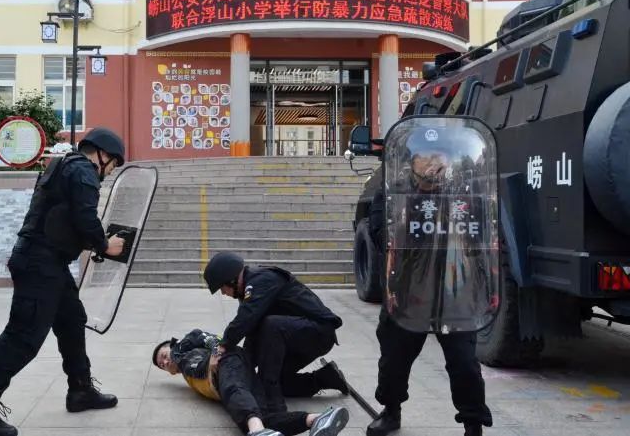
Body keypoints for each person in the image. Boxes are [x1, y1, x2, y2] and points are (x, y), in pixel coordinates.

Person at [0, 127, 128, 436]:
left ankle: (80, 389)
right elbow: (85, 217)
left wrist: (93, 242)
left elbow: (65, 218)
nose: (110, 172)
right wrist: (105, 245)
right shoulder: (83, 172)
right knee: (23, 337)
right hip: (40, 264)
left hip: (48, 261)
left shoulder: (64, 164)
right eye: (113, 164)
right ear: (103, 155)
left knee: (71, 321)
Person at [366, 129, 493, 436]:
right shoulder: (393, 190)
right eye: (427, 155)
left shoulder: (463, 189)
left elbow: (481, 233)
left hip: (454, 288)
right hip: (409, 290)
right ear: (413, 161)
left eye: (441, 155)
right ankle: (391, 409)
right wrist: (418, 201)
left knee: (464, 362)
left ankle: (473, 421)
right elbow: (379, 233)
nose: (435, 162)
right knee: (395, 358)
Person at [203, 252, 348, 413]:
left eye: (222, 288)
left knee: (271, 326)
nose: (223, 293)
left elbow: (246, 319)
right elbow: (251, 331)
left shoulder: (261, 280)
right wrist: (241, 368)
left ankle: (274, 407)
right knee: (279, 381)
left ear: (231, 279)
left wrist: (222, 346)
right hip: (295, 335)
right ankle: (326, 378)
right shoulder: (252, 288)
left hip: (318, 332)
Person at [152, 329, 349, 436]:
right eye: (162, 364)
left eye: (164, 355)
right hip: (237, 374)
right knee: (263, 417)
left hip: (227, 363)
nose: (165, 361)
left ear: (172, 345)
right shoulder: (187, 375)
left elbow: (202, 336)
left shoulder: (181, 349)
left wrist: (215, 352)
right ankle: (317, 420)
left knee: (233, 392)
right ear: (168, 373)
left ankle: (258, 432)